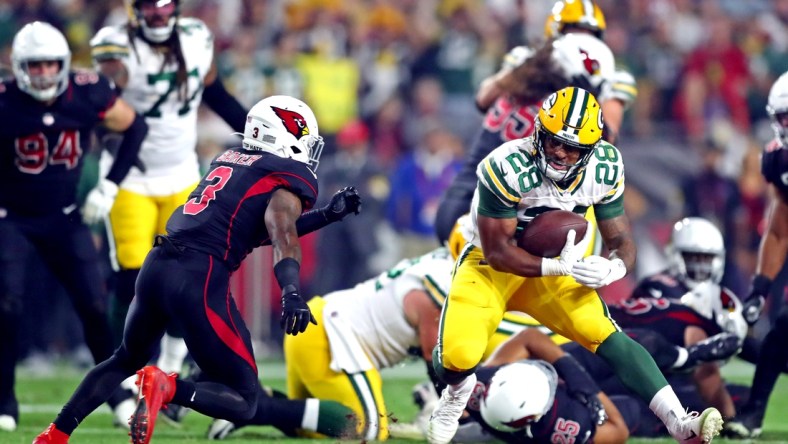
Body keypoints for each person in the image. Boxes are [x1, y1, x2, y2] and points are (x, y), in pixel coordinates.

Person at [32, 95, 361, 444]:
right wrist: (292, 292)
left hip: (157, 265)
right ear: (284, 134)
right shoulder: (286, 175)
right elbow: (282, 234)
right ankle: (168, 386)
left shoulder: (231, 160)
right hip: (199, 276)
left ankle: (55, 434)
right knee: (244, 400)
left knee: (124, 358)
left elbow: (253, 232)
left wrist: (327, 215)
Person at [427, 86, 723, 444]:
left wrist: (615, 267)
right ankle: (455, 395)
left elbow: (620, 238)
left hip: (556, 267)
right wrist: (553, 268)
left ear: (591, 149)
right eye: (553, 140)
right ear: (538, 131)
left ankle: (678, 421)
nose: (559, 152)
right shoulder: (505, 166)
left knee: (607, 336)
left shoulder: (605, 166)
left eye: (572, 147)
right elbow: (497, 252)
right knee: (458, 355)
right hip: (491, 269)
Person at [0, 21, 148, 433]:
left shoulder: (87, 90)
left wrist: (110, 184)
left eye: (51, 64)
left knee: (94, 306)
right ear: (19, 68)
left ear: (64, 65)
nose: (44, 74)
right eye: (36, 65)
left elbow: (135, 126)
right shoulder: (6, 102)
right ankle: (4, 399)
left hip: (66, 214)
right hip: (10, 216)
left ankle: (116, 394)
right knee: (6, 306)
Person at [89, 0, 249, 375]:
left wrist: (256, 128)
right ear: (134, 10)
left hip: (181, 174)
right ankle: (122, 372)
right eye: (149, 6)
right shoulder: (116, 45)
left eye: (165, 5)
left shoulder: (196, 38)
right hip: (130, 177)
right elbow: (99, 110)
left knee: (186, 275)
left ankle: (173, 366)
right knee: (132, 278)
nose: (159, 14)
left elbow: (216, 94)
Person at [206, 247, 455, 441]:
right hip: (328, 335)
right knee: (367, 428)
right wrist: (456, 413)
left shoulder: (442, 266)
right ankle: (257, 407)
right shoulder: (442, 283)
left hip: (318, 325)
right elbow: (436, 357)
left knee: (315, 423)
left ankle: (254, 401)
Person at [434, 30, 616, 244]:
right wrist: (590, 104)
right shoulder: (558, 112)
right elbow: (601, 148)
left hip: (458, 199)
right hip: (488, 215)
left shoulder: (518, 81)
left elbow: (482, 99)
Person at [726, 71, 788, 438]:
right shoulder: (779, 160)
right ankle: (753, 413)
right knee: (783, 326)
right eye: (786, 117)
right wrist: (760, 287)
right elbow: (780, 229)